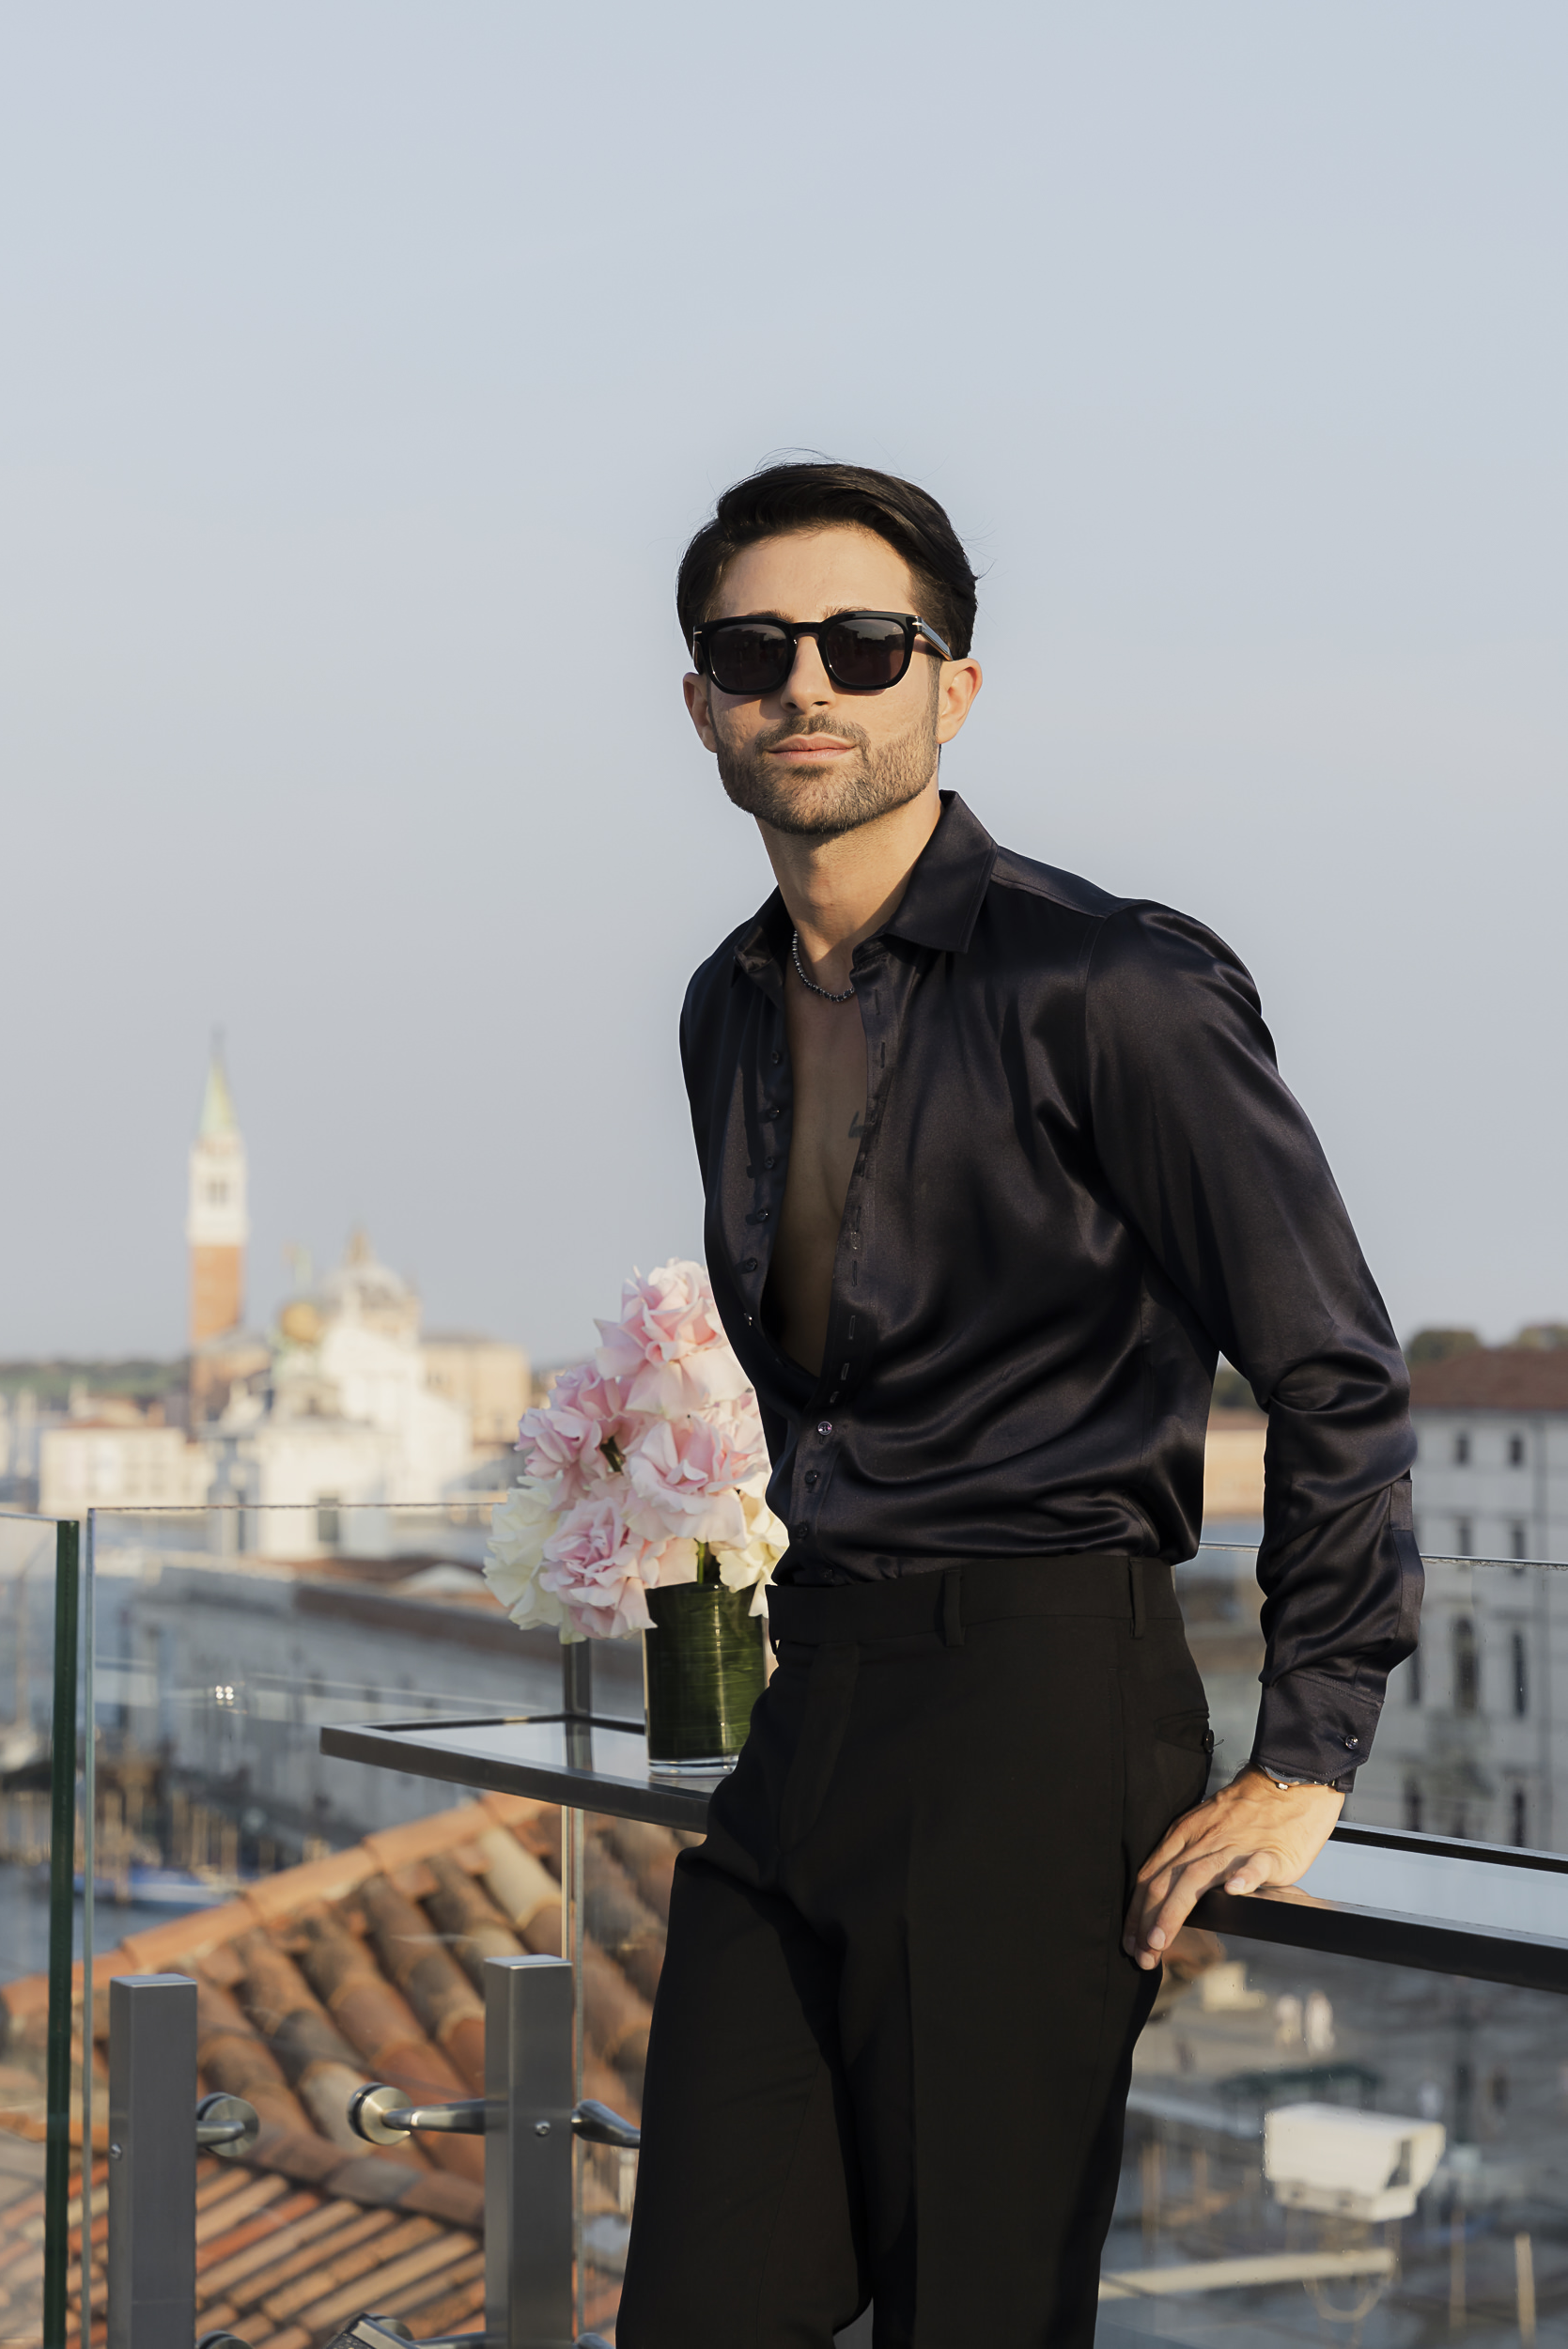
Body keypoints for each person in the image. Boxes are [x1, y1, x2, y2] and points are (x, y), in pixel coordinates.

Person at [616, 460, 1420, 2348]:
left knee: (973, 2315)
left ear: (949, 687)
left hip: (1037, 1710)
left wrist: (1306, 1749)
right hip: (813, 1709)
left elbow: (1329, 1363)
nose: (805, 685)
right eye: (753, 649)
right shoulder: (723, 1005)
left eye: (861, 644)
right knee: (696, 2312)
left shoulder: (1107, 981)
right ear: (700, 703)